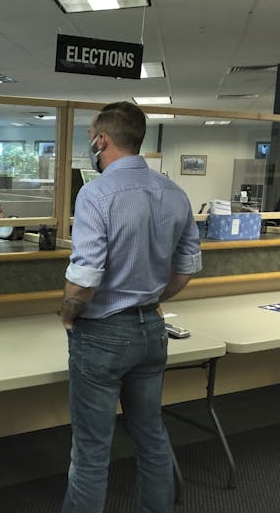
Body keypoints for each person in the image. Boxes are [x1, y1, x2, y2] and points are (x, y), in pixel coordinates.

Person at [59, 102, 202, 512]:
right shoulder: (174, 193)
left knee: (90, 452)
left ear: (101, 140)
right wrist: (154, 299)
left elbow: (84, 277)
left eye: (90, 138)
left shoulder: (96, 193)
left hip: (102, 333)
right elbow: (188, 267)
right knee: (151, 436)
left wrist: (68, 315)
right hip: (151, 333)